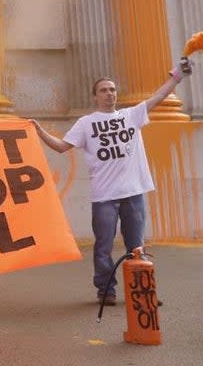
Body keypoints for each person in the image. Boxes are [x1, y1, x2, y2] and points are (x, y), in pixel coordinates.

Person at [30, 59, 191, 306]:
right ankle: (106, 291)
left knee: (136, 246)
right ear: (95, 96)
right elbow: (62, 147)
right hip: (104, 196)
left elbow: (158, 96)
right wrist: (40, 132)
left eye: (112, 89)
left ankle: (142, 289)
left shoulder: (132, 115)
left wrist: (177, 76)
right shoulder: (86, 123)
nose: (109, 93)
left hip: (133, 193)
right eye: (104, 90)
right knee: (103, 247)